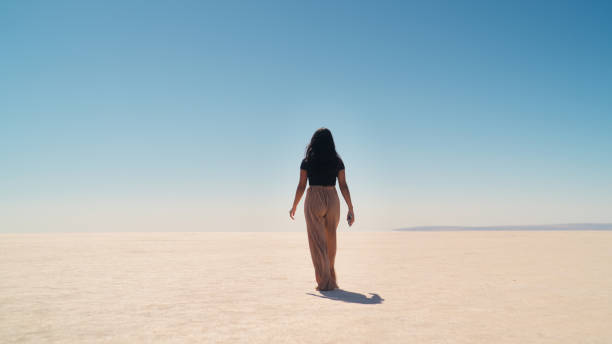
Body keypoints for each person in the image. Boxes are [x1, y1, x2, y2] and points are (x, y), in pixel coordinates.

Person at [289, 127, 355, 291]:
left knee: (317, 241)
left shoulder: (307, 161)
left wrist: (295, 205)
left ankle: (324, 282)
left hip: (314, 198)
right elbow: (344, 185)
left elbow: (301, 186)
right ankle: (331, 275)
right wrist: (350, 207)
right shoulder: (337, 161)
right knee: (331, 237)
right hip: (332, 197)